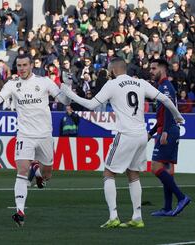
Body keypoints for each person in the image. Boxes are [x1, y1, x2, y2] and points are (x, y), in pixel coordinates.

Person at [60, 58, 185, 228]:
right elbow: (166, 99)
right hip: (141, 135)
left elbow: (90, 105)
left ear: (112, 70)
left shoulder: (112, 84)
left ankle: (113, 217)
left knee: (108, 173)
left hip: (126, 134)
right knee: (133, 174)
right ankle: (137, 217)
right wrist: (178, 116)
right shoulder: (139, 82)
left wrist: (68, 92)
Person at [0, 54, 70, 226]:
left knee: (47, 175)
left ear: (31, 65)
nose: (22, 68)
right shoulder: (12, 84)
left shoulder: (45, 82)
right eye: (19, 65)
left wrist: (67, 86)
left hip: (45, 135)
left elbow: (63, 99)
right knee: (22, 171)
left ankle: (38, 172)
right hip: (25, 135)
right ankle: (20, 212)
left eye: (25, 65)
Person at [148, 59, 191, 217]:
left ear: (162, 69)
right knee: (167, 169)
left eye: (154, 68)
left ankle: (181, 197)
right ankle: (167, 208)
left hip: (168, 130)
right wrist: (151, 133)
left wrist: (164, 131)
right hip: (169, 129)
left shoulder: (165, 86)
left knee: (155, 166)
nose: (151, 71)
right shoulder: (163, 86)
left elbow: (167, 110)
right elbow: (161, 113)